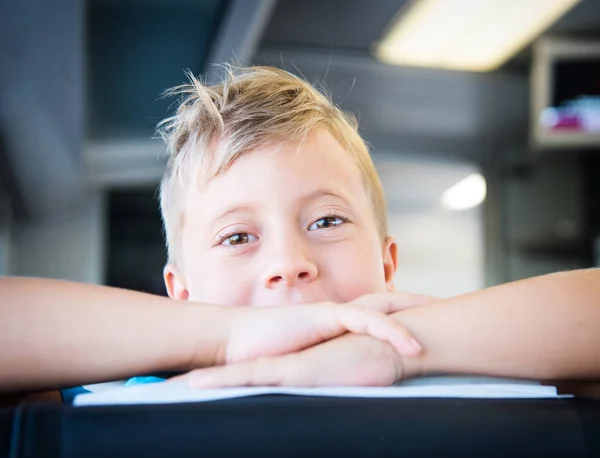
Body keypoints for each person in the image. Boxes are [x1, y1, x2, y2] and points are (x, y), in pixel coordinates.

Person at [1, 65, 599, 404]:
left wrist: (398, 349)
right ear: (179, 292)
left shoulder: (472, 376)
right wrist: (223, 339)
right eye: (238, 237)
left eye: (327, 221)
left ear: (388, 267)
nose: (289, 263)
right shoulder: (126, 401)